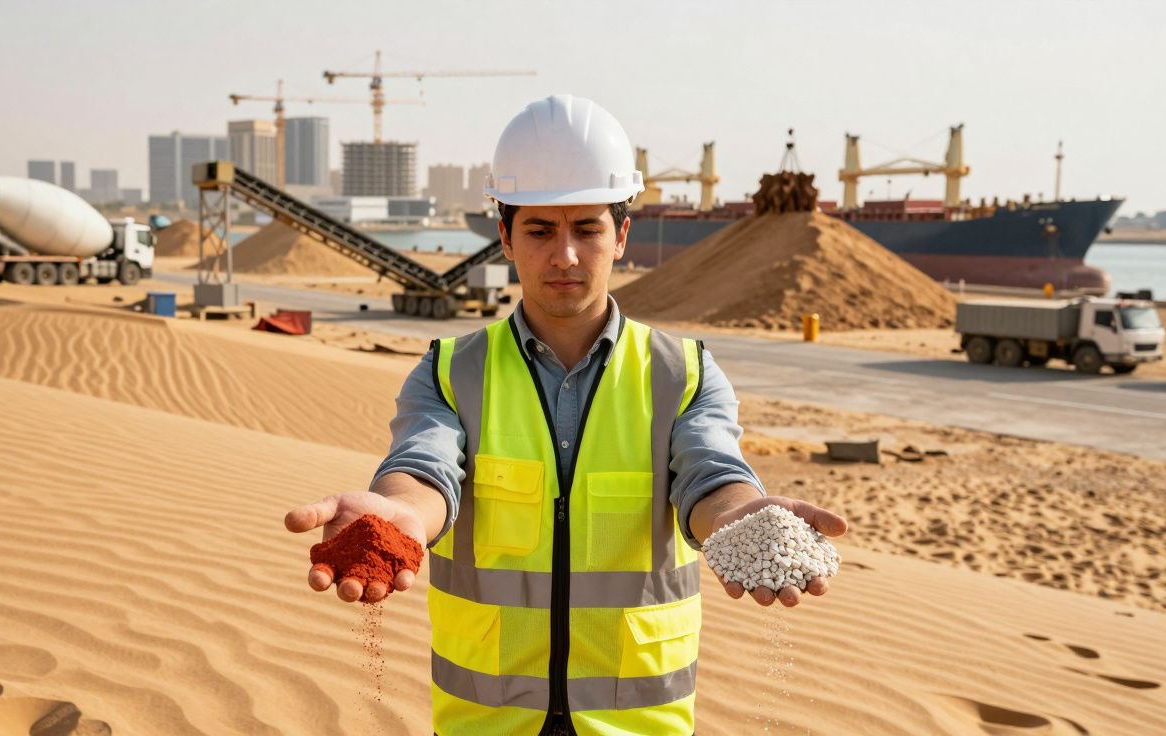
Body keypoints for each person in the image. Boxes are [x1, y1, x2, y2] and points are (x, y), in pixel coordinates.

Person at [285, 94, 847, 736]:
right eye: (540, 230)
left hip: (637, 722)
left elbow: (711, 475)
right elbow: (423, 465)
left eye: (587, 228)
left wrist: (740, 518)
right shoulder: (451, 370)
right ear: (504, 235)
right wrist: (402, 516)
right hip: (486, 721)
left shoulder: (681, 372)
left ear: (622, 234)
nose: (566, 256)